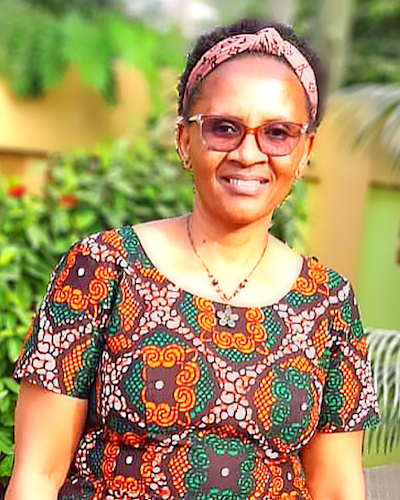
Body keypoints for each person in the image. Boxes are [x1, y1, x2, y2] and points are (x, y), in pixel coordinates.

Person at [6, 18, 379, 500]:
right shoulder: (103, 268)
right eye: (223, 128)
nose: (250, 153)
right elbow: (37, 473)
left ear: (305, 151)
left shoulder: (328, 302)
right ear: (185, 140)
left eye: (278, 133)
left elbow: (336, 485)